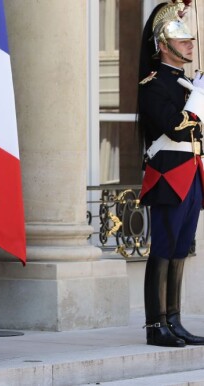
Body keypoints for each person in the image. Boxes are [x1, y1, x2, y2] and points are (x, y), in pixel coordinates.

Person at [138, 0, 204, 347]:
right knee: (163, 248)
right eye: (182, 41)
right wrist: (198, 104)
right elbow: (174, 126)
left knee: (181, 248)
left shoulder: (185, 83)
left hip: (191, 172)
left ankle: (174, 319)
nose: (190, 44)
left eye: (190, 40)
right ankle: (155, 325)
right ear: (163, 46)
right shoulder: (154, 85)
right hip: (168, 174)